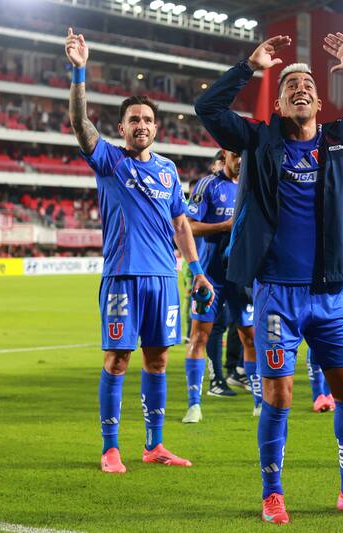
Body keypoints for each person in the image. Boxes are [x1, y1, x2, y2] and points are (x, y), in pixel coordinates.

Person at [194, 33, 343, 523]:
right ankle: (273, 493)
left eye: (308, 83)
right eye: (290, 84)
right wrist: (248, 67)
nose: (301, 88)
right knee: (279, 394)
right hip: (277, 293)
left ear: (318, 98)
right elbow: (208, 107)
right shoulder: (258, 139)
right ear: (278, 100)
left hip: (333, 292)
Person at [66, 28, 213, 473]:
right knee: (117, 358)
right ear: (122, 128)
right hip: (123, 276)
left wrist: (197, 269)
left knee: (158, 358)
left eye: (148, 120)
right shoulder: (110, 160)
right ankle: (111, 447)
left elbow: (181, 223)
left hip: (164, 280)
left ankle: (154, 445)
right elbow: (80, 124)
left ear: (156, 127)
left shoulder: (169, 170)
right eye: (134, 120)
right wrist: (79, 71)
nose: (142, 126)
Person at [184, 149, 260, 421]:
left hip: (241, 277)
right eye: (236, 155)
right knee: (199, 336)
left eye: (244, 154)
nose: (241, 159)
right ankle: (194, 404)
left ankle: (259, 402)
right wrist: (225, 226)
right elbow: (189, 226)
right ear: (225, 156)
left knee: (250, 337)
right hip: (210, 278)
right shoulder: (208, 185)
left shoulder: (255, 185)